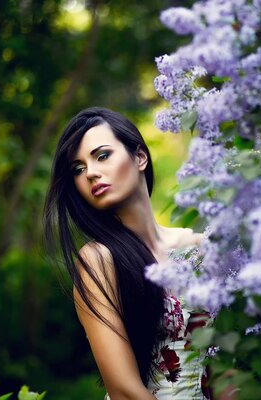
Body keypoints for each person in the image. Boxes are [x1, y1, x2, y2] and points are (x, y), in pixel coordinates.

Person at [43, 107, 211, 399]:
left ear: (140, 157)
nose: (91, 173)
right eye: (78, 169)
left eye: (102, 155)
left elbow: (226, 367)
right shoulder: (98, 259)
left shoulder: (198, 248)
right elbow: (124, 391)